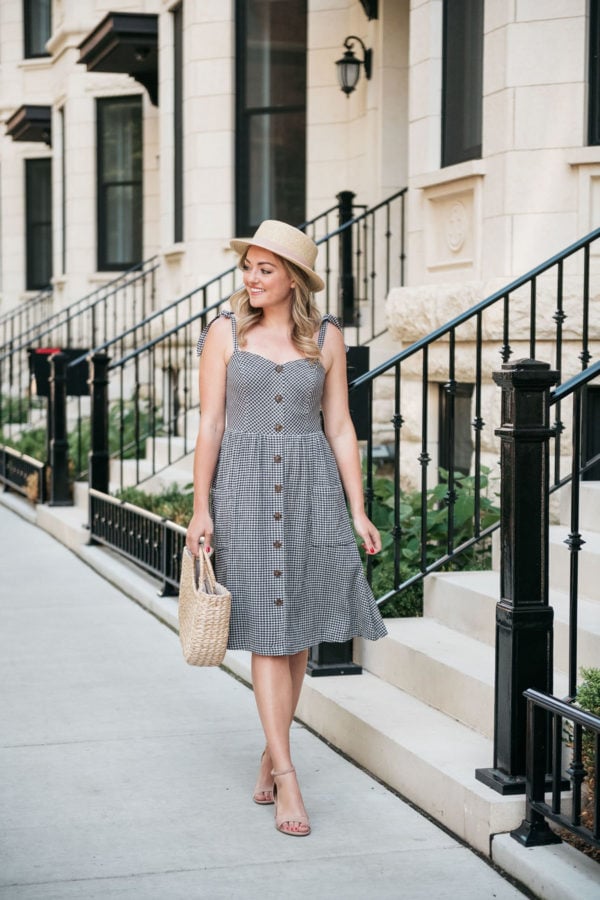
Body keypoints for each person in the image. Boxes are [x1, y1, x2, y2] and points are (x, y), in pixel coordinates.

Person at [185, 219, 387, 837]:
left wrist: (357, 508)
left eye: (265, 269)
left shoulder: (326, 336)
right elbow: (212, 425)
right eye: (248, 266)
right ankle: (289, 778)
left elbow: (341, 428)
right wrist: (200, 508)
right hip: (243, 488)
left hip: (310, 490)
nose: (251, 277)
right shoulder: (224, 332)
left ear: (293, 279)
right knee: (269, 636)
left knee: (295, 630)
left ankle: (272, 752)